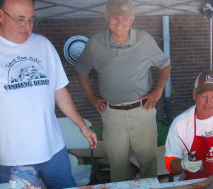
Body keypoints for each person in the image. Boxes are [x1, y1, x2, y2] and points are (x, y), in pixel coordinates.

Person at [0, 0, 97, 188]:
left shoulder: (43, 44)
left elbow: (59, 91)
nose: (26, 27)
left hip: (54, 151)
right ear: (0, 14)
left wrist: (83, 126)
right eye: (20, 19)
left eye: (31, 20)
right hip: (14, 159)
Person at [75, 0, 171, 182]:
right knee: (118, 166)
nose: (120, 21)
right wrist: (91, 97)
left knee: (148, 162)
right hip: (112, 114)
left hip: (142, 110)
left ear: (132, 18)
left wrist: (158, 90)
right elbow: (81, 72)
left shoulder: (145, 40)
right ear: (106, 17)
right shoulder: (95, 43)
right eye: (115, 17)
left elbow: (165, 65)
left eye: (125, 17)